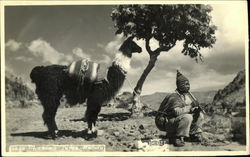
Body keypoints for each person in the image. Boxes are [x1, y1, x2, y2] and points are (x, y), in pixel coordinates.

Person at [155, 70, 204, 147]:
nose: (188, 86)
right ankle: (177, 137)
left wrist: (195, 110)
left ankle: (194, 135)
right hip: (166, 123)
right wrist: (191, 106)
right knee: (188, 117)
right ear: (181, 85)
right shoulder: (174, 96)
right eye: (186, 84)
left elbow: (186, 110)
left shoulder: (185, 96)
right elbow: (177, 112)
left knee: (199, 115)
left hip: (175, 120)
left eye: (189, 84)